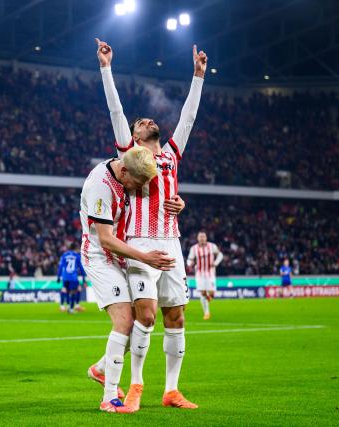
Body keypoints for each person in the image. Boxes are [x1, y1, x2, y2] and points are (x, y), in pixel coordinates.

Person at [96, 37, 206, 410]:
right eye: (140, 122)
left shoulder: (173, 154)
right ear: (135, 137)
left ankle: (172, 390)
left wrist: (198, 77)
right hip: (140, 242)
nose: (146, 120)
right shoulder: (129, 154)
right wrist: (106, 68)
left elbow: (189, 117)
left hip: (171, 241)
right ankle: (137, 384)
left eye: (148, 120)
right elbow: (115, 109)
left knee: (176, 314)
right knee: (145, 313)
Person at [81, 146, 182, 413]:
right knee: (125, 321)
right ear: (124, 171)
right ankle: (110, 397)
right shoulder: (100, 185)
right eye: (137, 184)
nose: (139, 189)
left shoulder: (128, 169)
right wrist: (146, 257)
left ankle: (102, 368)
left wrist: (178, 202)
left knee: (141, 319)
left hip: (126, 252)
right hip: (101, 256)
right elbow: (105, 239)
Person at [187, 231, 223, 320]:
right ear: (197, 238)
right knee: (203, 293)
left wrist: (215, 263)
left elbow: (220, 255)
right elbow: (189, 259)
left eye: (203, 236)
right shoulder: (194, 248)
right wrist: (190, 264)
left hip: (210, 273)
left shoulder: (212, 246)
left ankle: (208, 298)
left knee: (212, 293)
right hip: (199, 273)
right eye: (200, 237)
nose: (202, 238)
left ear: (206, 238)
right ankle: (206, 313)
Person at [57, 242, 87, 314]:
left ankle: (63, 306)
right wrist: (83, 279)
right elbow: (81, 268)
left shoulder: (64, 255)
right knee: (74, 291)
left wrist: (58, 276)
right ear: (75, 248)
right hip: (73, 277)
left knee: (65, 290)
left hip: (65, 277)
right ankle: (71, 308)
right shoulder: (77, 256)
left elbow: (60, 266)